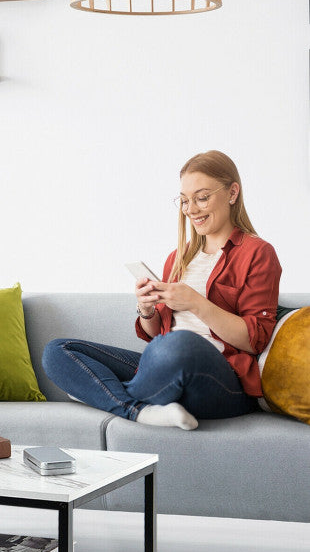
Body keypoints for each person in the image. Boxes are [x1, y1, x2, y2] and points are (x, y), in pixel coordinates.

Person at [42, 150, 282, 430]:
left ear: (232, 193)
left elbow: (255, 340)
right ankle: (139, 411)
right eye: (184, 201)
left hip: (222, 380)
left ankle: (102, 393)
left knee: (178, 345)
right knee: (57, 350)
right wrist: (147, 310)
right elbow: (157, 334)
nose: (191, 209)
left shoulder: (258, 253)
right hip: (166, 366)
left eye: (202, 198)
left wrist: (196, 303)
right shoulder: (179, 258)